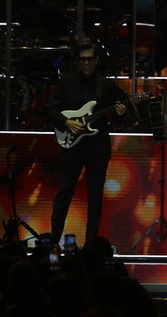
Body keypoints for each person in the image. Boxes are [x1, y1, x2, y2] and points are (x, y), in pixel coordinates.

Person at [45, 43, 128, 245]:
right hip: (71, 147)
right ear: (77, 61)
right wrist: (66, 122)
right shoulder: (66, 83)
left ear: (96, 61)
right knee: (64, 193)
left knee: (95, 198)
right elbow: (50, 110)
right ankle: (54, 240)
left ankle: (91, 243)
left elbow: (122, 106)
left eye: (90, 58)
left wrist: (122, 110)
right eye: (83, 59)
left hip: (97, 148)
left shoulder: (106, 86)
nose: (86, 62)